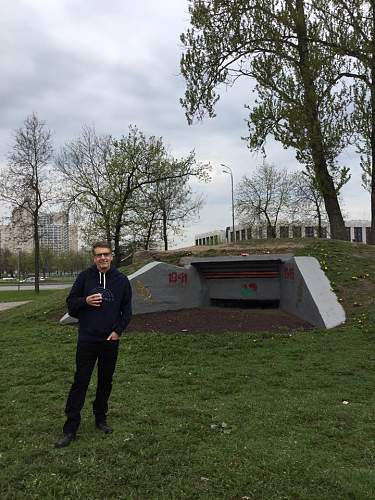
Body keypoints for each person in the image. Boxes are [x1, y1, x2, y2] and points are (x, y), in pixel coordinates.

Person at [55, 241, 132, 448]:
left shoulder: (122, 280)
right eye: (99, 255)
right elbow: (71, 305)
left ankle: (100, 418)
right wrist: (85, 301)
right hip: (87, 339)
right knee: (80, 382)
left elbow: (127, 311)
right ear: (93, 257)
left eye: (106, 254)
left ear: (111, 256)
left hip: (110, 341)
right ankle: (70, 428)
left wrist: (117, 332)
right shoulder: (85, 277)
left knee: (105, 381)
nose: (103, 258)